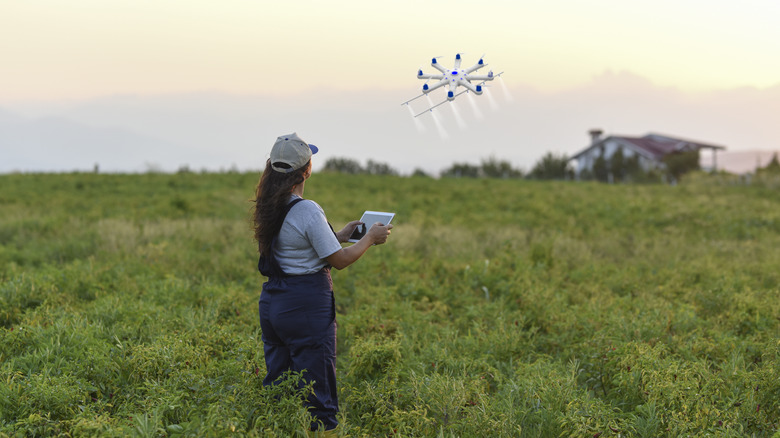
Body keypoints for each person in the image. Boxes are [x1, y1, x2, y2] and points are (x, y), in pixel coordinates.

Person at [253, 133, 392, 434]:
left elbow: (295, 243)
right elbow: (340, 261)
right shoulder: (307, 209)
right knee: (318, 391)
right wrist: (369, 239)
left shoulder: (269, 204)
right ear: (305, 171)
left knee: (280, 384)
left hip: (273, 304)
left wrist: (339, 235)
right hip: (305, 305)